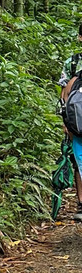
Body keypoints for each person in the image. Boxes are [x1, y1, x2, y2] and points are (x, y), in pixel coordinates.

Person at [58, 22, 82, 221]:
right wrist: (65, 121)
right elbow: (63, 94)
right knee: (78, 163)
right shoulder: (72, 63)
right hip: (77, 122)